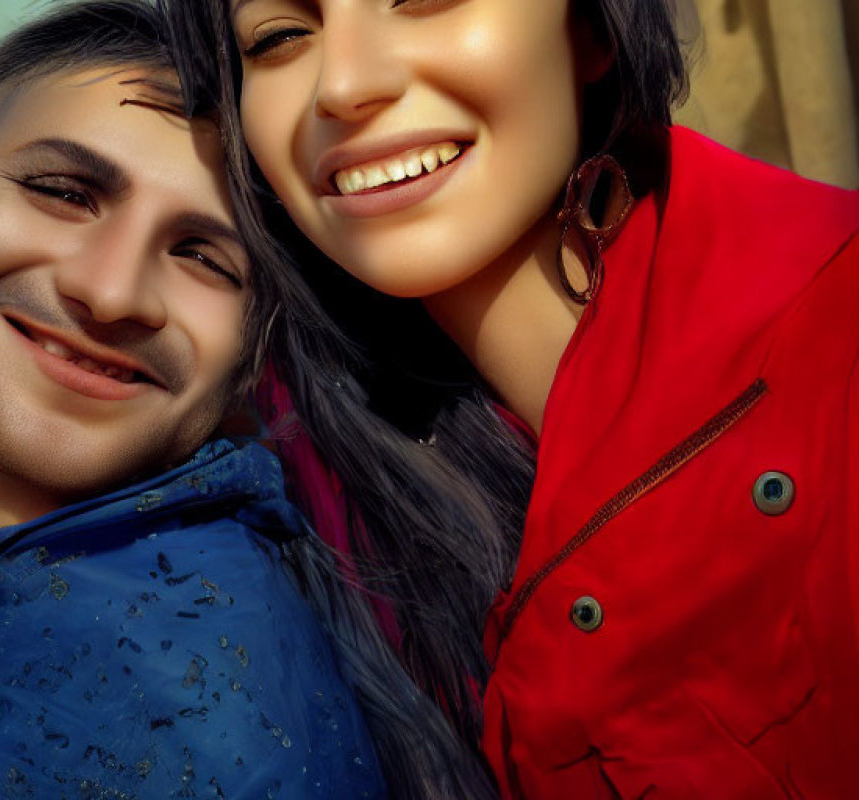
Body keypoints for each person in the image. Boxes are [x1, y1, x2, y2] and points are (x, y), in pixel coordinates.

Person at [170, 0, 859, 796]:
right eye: (280, 38)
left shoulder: (829, 333)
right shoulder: (300, 490)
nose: (346, 84)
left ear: (594, 28)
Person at [0, 3, 499, 797]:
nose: (111, 290)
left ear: (251, 360)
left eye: (203, 256)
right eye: (62, 192)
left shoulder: (175, 678)